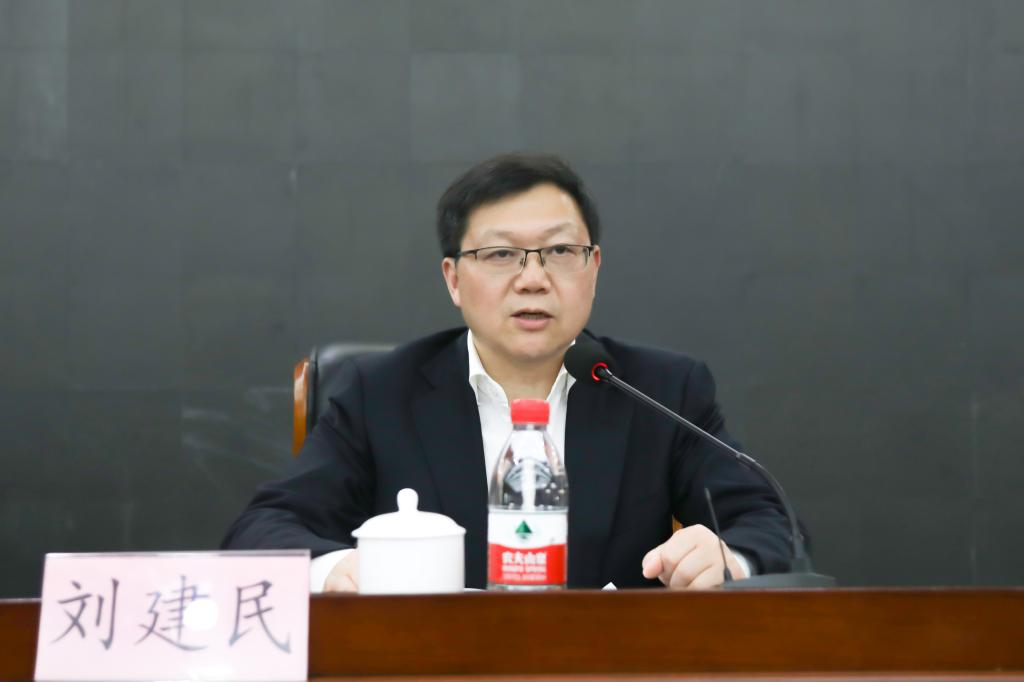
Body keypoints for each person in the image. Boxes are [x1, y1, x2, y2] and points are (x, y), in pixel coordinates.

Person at [222, 153, 795, 591]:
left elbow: (769, 523)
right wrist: (338, 571)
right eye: (500, 255)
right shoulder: (379, 392)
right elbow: (265, 529)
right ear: (453, 279)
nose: (533, 279)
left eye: (560, 252)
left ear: (593, 268)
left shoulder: (663, 390)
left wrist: (728, 557)